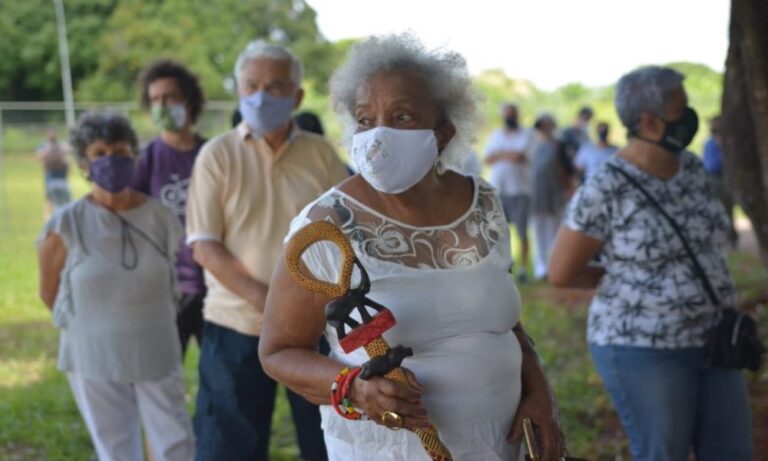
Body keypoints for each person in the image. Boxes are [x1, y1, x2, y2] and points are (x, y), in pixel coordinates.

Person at [258, 33, 564, 461]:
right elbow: (278, 351)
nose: (378, 135)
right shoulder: (324, 228)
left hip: (501, 445)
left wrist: (540, 391)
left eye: (401, 117)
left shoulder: (486, 204)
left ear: (443, 132)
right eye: (365, 120)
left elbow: (505, 323)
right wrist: (353, 389)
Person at [549, 66, 753, 461]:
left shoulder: (690, 168)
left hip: (714, 337)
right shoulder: (606, 187)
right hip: (644, 347)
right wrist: (630, 278)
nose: (690, 115)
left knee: (731, 451)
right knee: (664, 452)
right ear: (649, 122)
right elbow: (562, 272)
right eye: (682, 107)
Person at [186, 40, 349, 461]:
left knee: (329, 443)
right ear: (239, 90)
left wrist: (302, 312)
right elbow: (205, 246)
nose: (261, 95)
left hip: (317, 332)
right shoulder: (216, 155)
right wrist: (270, 303)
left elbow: (345, 235)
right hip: (234, 325)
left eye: (275, 86)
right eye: (251, 84)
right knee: (228, 447)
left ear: (296, 96)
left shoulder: (321, 155)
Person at [36, 112, 195, 461]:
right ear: (83, 163)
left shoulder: (161, 217)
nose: (111, 160)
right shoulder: (65, 224)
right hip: (92, 354)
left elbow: (171, 274)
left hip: (156, 348)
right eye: (99, 153)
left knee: (176, 443)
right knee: (116, 448)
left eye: (120, 151)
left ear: (134, 156)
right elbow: (49, 293)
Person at [133, 59, 208, 358]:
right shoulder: (146, 159)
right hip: (166, 288)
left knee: (221, 381)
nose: (161, 105)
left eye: (169, 97)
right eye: (154, 100)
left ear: (188, 100)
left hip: (214, 287)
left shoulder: (212, 154)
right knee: (163, 372)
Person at [484, 103, 533, 282]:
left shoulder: (526, 134)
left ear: (517, 115)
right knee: (498, 232)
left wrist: (500, 154)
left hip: (520, 191)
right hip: (499, 191)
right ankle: (505, 265)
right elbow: (488, 158)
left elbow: (520, 157)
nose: (509, 118)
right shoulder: (496, 135)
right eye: (506, 114)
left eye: (511, 114)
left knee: (521, 232)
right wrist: (507, 154)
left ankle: (523, 270)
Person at [530, 113, 570, 281]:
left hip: (554, 194)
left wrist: (567, 189)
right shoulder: (531, 144)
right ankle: (541, 267)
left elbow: (566, 170)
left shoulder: (559, 145)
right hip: (535, 194)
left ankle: (554, 265)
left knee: (554, 231)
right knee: (538, 231)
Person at [702, 115, 738, 246]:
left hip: (724, 178)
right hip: (711, 179)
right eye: (713, 130)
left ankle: (732, 238)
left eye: (717, 129)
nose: (714, 132)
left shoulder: (728, 144)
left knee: (727, 210)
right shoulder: (709, 143)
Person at [36, 130, 72, 217]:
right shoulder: (46, 147)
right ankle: (49, 217)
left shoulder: (60, 146)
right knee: (52, 200)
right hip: (56, 179)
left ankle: (51, 218)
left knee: (57, 202)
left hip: (54, 179)